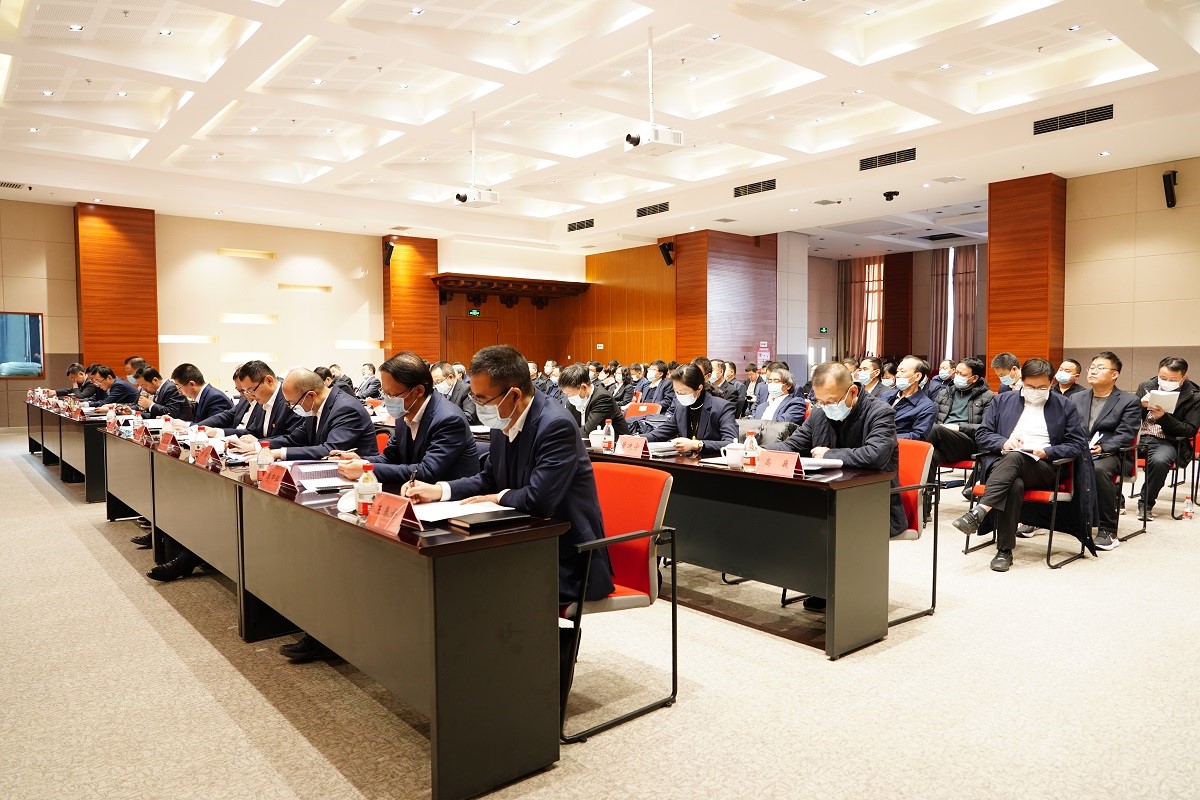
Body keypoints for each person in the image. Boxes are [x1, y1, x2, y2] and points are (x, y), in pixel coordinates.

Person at [279, 353, 481, 664]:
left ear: (417, 391)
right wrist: (360, 460)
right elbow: (391, 457)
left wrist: (366, 467)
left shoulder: (447, 418)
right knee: (342, 544)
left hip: (445, 515)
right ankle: (332, 632)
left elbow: (427, 471)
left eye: (390, 392)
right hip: (409, 503)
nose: (385, 398)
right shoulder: (406, 413)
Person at [402, 344, 614, 608]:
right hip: (521, 542)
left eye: (482, 399)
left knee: (474, 582)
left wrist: (497, 497)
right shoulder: (503, 417)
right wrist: (440, 490)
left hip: (566, 556)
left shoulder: (555, 425)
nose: (478, 406)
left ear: (514, 395)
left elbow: (539, 500)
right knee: (452, 573)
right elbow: (489, 478)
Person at [767, 362, 907, 610]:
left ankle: (837, 591)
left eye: (831, 401)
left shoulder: (880, 412)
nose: (825, 406)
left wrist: (829, 453)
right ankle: (819, 585)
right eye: (820, 401)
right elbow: (793, 445)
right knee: (791, 517)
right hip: (829, 498)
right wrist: (760, 451)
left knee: (822, 526)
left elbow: (875, 456)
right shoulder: (820, 413)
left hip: (874, 505)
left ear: (852, 392)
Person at [951, 358, 1090, 572]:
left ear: (1051, 383)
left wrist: (1048, 452)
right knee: (1014, 483)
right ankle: (1004, 551)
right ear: (1022, 380)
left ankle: (980, 511)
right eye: (1031, 386)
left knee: (1015, 459)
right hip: (1004, 463)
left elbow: (1077, 444)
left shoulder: (1065, 406)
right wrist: (1004, 443)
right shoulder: (1002, 400)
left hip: (1044, 467)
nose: (1036, 391)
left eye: (1042, 387)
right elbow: (983, 433)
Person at [1072, 351, 1141, 551]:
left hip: (1112, 454)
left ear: (1115, 374)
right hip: (1078, 450)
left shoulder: (1128, 401)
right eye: (1091, 367)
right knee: (1045, 462)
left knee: (1098, 469)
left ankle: (1108, 530)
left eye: (1100, 368)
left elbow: (1126, 433)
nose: (1093, 371)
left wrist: (1103, 447)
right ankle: (1037, 520)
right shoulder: (1076, 397)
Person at [257, 368, 381, 461]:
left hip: (360, 477)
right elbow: (294, 439)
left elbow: (330, 450)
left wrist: (279, 453)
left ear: (310, 395)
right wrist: (258, 446)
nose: (292, 407)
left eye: (293, 403)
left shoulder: (346, 409)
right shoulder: (315, 408)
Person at [1133, 356, 1200, 519]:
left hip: (1167, 440)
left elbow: (1189, 430)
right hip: (1139, 437)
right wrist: (1139, 406)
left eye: (1172, 380)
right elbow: (1127, 416)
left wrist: (1163, 418)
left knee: (1159, 461)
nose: (1166, 382)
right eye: (1163, 377)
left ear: (1183, 377)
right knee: (1111, 455)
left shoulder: (1194, 396)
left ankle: (1146, 503)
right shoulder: (1145, 386)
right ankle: (1116, 500)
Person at [645, 363, 738, 456]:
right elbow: (660, 433)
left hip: (711, 461)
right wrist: (638, 438)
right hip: (686, 461)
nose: (679, 396)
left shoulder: (722, 407)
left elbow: (731, 443)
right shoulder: (681, 407)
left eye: (683, 392)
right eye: (676, 392)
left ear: (699, 388)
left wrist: (697, 445)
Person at [928, 356, 995, 471]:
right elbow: (931, 419)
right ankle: (919, 484)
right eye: (956, 373)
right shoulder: (944, 393)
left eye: (962, 374)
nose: (957, 376)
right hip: (942, 440)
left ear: (974, 378)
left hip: (967, 443)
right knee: (930, 456)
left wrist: (959, 427)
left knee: (935, 429)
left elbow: (986, 428)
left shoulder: (988, 397)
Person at [229, 361, 302, 440]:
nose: (250, 395)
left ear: (269, 381)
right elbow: (254, 430)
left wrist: (258, 443)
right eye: (246, 391)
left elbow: (294, 438)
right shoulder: (262, 400)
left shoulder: (290, 398)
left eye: (252, 390)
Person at [558, 364, 630, 438]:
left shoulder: (603, 399)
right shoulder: (572, 401)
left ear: (584, 387)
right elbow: (568, 427)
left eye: (570, 394)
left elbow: (587, 432)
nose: (569, 397)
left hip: (614, 443)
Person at [887, 356, 938, 441]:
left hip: (897, 445)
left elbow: (917, 435)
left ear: (917, 376)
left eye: (902, 371)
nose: (897, 375)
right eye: (897, 371)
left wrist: (884, 438)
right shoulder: (886, 395)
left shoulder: (926, 406)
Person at [432, 360, 478, 424]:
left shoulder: (466, 389)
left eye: (439, 381)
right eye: (435, 383)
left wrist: (443, 422)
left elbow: (469, 417)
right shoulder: (437, 391)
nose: (437, 385)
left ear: (450, 377)